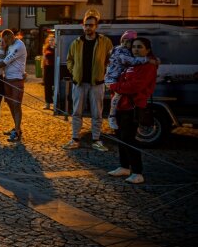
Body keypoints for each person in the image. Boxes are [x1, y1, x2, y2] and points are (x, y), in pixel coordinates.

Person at [108, 37, 158, 184]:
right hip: (121, 105)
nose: (136, 49)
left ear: (147, 50)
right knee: (120, 137)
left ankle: (137, 172)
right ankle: (124, 166)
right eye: (134, 47)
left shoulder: (148, 66)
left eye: (140, 47)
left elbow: (135, 86)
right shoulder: (132, 62)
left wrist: (114, 86)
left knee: (129, 139)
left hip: (133, 106)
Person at [63, 11, 113, 151]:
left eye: (91, 25)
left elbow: (111, 59)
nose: (88, 28)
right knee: (76, 112)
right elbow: (69, 60)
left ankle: (96, 140)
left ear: (96, 26)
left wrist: (104, 71)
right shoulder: (77, 42)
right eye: (86, 25)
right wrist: (73, 71)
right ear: (82, 26)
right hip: (79, 83)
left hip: (97, 83)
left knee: (97, 113)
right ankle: (75, 139)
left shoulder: (104, 41)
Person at [105, 30, 153, 130]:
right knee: (117, 95)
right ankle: (111, 116)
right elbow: (132, 61)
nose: (126, 43)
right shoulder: (119, 51)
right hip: (112, 77)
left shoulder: (127, 51)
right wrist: (148, 59)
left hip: (118, 77)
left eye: (129, 42)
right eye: (124, 41)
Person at [0, 29, 27, 142]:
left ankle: (17, 132)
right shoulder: (9, 46)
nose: (4, 43)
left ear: (10, 37)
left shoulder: (19, 46)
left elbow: (5, 62)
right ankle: (16, 127)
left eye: (5, 40)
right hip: (7, 79)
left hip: (16, 79)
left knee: (16, 105)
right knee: (10, 105)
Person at [42, 35, 55, 110]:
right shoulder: (46, 48)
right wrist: (43, 70)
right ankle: (47, 103)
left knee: (54, 87)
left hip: (55, 68)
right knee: (47, 87)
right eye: (49, 40)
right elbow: (43, 59)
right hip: (47, 68)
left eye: (52, 40)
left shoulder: (57, 48)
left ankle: (54, 103)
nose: (51, 42)